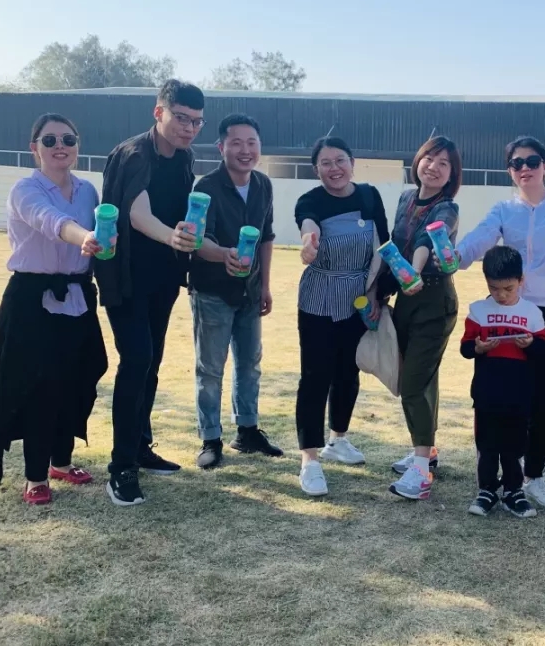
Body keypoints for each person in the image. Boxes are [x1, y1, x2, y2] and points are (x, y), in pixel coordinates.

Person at [0, 114, 109, 504]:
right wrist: (85, 236)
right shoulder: (24, 190)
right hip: (31, 300)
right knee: (38, 387)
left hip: (77, 296)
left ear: (77, 146)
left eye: (68, 139)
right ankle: (35, 476)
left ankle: (61, 461)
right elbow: (50, 221)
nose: (60, 146)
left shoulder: (88, 191)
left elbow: (103, 237)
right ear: (35, 148)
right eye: (50, 140)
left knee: (77, 378)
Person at [455, 136, 545, 511]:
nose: (524, 168)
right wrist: (455, 257)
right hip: (511, 311)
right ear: (509, 170)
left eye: (532, 161)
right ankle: (498, 476)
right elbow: (480, 238)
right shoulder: (503, 208)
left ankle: (535, 475)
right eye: (517, 163)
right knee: (505, 395)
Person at [96, 79, 205, 506]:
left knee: (151, 362)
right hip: (124, 277)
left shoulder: (185, 157)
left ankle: (140, 446)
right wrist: (171, 237)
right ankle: (121, 467)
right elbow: (136, 212)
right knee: (136, 359)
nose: (189, 128)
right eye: (182, 118)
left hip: (162, 279)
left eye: (197, 122)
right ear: (159, 112)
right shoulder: (133, 154)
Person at [294, 137, 389, 497]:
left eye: (340, 160)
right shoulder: (310, 200)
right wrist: (309, 242)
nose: (334, 168)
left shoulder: (369, 195)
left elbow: (384, 245)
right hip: (319, 297)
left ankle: (338, 438)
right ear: (315, 169)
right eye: (325, 163)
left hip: (360, 297)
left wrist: (377, 292)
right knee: (315, 376)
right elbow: (309, 225)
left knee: (349, 372)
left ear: (352, 162)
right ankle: (309, 458)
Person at [188, 114, 283, 470]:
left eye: (252, 143)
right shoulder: (206, 187)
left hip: (250, 290)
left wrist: (266, 285)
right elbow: (197, 240)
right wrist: (223, 255)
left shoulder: (262, 185)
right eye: (237, 143)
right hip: (212, 290)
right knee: (210, 369)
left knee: (249, 363)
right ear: (221, 147)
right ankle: (210, 438)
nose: (246, 150)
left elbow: (266, 237)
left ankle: (247, 431)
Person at [384, 136, 463, 501]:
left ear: (451, 175)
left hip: (433, 300)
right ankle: (426, 452)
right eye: (430, 158)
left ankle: (420, 474)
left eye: (444, 163)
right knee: (421, 380)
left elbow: (425, 241)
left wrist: (413, 273)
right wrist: (381, 290)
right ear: (418, 161)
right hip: (407, 299)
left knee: (414, 383)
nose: (434, 166)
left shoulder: (447, 208)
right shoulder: (406, 198)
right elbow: (396, 243)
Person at [461, 246, 545, 519]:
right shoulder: (478, 310)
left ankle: (513, 491)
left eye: (508, 289)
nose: (501, 294)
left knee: (514, 446)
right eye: (494, 288)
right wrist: (478, 348)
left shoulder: (532, 313)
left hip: (519, 393)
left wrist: (531, 344)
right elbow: (465, 347)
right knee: (487, 445)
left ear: (521, 280)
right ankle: (486, 490)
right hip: (487, 392)